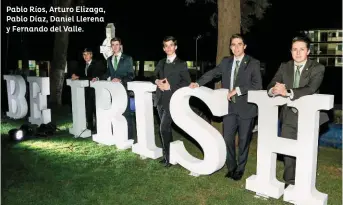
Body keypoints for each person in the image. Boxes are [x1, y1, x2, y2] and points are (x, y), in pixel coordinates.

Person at [189, 34, 262, 180]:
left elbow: (257, 85)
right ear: (230, 47)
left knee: (243, 141)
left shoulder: (253, 63)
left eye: (239, 44)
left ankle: (240, 169)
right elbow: (213, 73)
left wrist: (238, 90)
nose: (236, 47)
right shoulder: (226, 62)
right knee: (228, 138)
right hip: (229, 108)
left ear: (244, 46)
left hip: (247, 109)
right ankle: (232, 167)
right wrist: (198, 83)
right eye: (233, 45)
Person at [267, 35, 328, 187]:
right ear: (291, 51)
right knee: (288, 151)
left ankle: (305, 182)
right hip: (288, 116)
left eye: (302, 49)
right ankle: (290, 182)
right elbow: (271, 84)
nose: (298, 53)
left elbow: (311, 88)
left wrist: (287, 91)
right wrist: (274, 90)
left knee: (306, 151)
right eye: (295, 49)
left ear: (308, 51)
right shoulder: (284, 66)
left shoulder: (318, 68)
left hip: (309, 117)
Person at [153, 36, 191, 167]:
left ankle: (168, 158)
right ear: (163, 48)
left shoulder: (182, 64)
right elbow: (154, 75)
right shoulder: (161, 62)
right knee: (166, 130)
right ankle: (168, 156)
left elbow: (186, 82)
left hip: (173, 101)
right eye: (166, 46)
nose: (168, 48)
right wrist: (157, 81)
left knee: (163, 128)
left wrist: (170, 87)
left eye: (171, 45)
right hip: (160, 100)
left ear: (175, 47)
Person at [103, 37, 135, 140]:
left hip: (124, 89)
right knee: (114, 113)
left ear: (120, 45)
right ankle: (117, 135)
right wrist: (98, 77)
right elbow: (108, 73)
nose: (115, 47)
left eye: (117, 44)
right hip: (113, 91)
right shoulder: (109, 59)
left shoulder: (128, 58)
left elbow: (131, 75)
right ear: (111, 46)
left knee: (126, 114)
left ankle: (130, 138)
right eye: (113, 45)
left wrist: (120, 79)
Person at [71, 48, 106, 133]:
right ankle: (90, 128)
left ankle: (99, 128)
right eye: (84, 54)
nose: (85, 56)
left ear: (91, 55)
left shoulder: (97, 64)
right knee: (88, 110)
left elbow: (92, 77)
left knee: (96, 110)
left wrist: (78, 77)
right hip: (86, 92)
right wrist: (74, 75)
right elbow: (78, 73)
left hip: (95, 92)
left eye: (87, 54)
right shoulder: (83, 65)